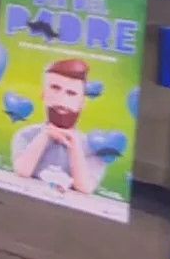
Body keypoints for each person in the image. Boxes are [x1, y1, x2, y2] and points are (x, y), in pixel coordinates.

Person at [10, 59, 106, 195]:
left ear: (82, 103)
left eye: (71, 93)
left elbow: (85, 187)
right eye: (55, 88)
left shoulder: (93, 147)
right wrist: (45, 135)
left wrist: (74, 144)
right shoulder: (26, 134)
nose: (62, 99)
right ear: (44, 95)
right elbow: (22, 171)